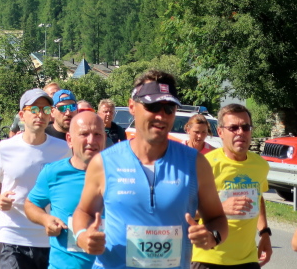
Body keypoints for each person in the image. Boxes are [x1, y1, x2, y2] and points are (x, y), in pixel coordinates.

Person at [73, 69, 229, 269]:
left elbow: (217, 219)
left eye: (169, 108)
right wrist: (82, 236)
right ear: (132, 106)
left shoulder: (195, 163)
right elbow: (83, 212)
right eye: (152, 106)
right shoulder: (104, 162)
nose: (161, 116)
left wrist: (212, 237)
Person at [0, 88, 71, 269]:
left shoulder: (63, 150)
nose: (40, 114)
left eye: (45, 110)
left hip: (50, 238)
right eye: (34, 109)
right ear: (22, 115)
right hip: (12, 236)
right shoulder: (4, 148)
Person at [191, 103, 271, 269]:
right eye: (233, 128)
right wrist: (220, 208)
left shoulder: (260, 165)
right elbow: (185, 210)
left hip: (247, 259)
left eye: (245, 127)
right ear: (220, 132)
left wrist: (264, 232)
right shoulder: (205, 164)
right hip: (209, 257)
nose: (240, 132)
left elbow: (258, 197)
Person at [25, 111, 107, 269]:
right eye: (84, 134)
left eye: (97, 134)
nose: (91, 140)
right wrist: (45, 219)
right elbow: (30, 204)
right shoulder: (53, 173)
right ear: (69, 139)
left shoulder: (121, 174)